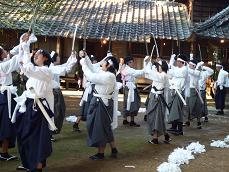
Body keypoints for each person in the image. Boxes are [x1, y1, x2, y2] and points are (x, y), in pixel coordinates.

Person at [13, 49, 54, 172]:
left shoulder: (46, 71)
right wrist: (23, 50)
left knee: (36, 137)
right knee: (24, 135)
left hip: (38, 107)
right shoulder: (36, 72)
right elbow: (27, 69)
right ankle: (27, 162)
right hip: (29, 105)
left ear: (45, 58)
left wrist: (26, 49)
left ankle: (38, 167)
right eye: (34, 55)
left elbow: (30, 70)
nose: (35, 56)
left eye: (38, 55)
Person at [80, 55, 119, 160]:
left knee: (99, 127)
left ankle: (100, 153)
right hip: (101, 102)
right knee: (105, 127)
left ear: (109, 65)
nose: (101, 63)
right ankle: (114, 148)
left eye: (104, 62)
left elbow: (91, 76)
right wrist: (85, 57)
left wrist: (83, 64)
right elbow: (93, 69)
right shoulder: (106, 74)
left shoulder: (109, 76)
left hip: (101, 103)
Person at [49, 51, 77, 135]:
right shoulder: (51, 68)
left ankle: (52, 130)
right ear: (54, 58)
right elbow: (66, 69)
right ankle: (50, 131)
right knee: (56, 111)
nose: (59, 58)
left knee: (59, 110)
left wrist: (71, 57)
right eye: (58, 56)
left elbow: (64, 66)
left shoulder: (54, 67)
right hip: (53, 92)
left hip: (56, 92)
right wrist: (73, 61)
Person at [144, 56, 171, 144]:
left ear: (162, 67)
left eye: (158, 66)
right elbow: (148, 74)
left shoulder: (163, 75)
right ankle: (166, 135)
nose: (156, 67)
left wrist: (147, 63)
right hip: (154, 97)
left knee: (155, 117)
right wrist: (148, 63)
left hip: (157, 99)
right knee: (157, 118)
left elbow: (150, 74)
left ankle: (155, 138)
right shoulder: (159, 74)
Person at [0, 46, 19, 161]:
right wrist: (23, 46)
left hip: (4, 94)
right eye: (3, 51)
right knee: (6, 124)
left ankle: (4, 152)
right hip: (5, 96)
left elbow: (12, 56)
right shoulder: (3, 65)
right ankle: (4, 152)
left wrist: (22, 43)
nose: (5, 52)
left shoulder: (4, 64)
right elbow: (15, 58)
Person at [73, 55, 99, 132]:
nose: (95, 62)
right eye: (93, 61)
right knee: (86, 109)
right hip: (88, 92)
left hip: (91, 91)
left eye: (95, 61)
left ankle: (77, 124)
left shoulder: (92, 69)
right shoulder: (88, 69)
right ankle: (77, 124)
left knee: (87, 109)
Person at [167, 54, 188, 136]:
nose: (177, 63)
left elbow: (174, 72)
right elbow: (170, 74)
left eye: (178, 62)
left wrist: (170, 65)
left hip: (179, 92)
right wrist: (171, 62)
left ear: (182, 62)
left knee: (177, 111)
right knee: (173, 109)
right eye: (176, 61)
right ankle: (173, 127)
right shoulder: (178, 68)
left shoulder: (184, 69)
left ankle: (180, 130)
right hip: (174, 91)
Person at [122, 56, 144, 127]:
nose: (132, 63)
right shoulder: (128, 69)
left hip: (129, 87)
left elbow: (137, 75)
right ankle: (131, 121)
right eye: (131, 62)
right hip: (129, 88)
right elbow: (137, 73)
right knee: (132, 103)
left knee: (128, 103)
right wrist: (146, 68)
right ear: (128, 63)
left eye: (132, 62)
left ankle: (126, 119)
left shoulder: (127, 69)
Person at [185, 60, 203, 129]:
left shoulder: (196, 72)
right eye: (189, 64)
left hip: (194, 90)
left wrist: (187, 66)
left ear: (194, 66)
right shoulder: (190, 71)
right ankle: (188, 120)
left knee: (196, 106)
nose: (189, 65)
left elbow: (193, 72)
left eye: (190, 64)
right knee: (189, 106)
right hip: (189, 90)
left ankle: (198, 121)